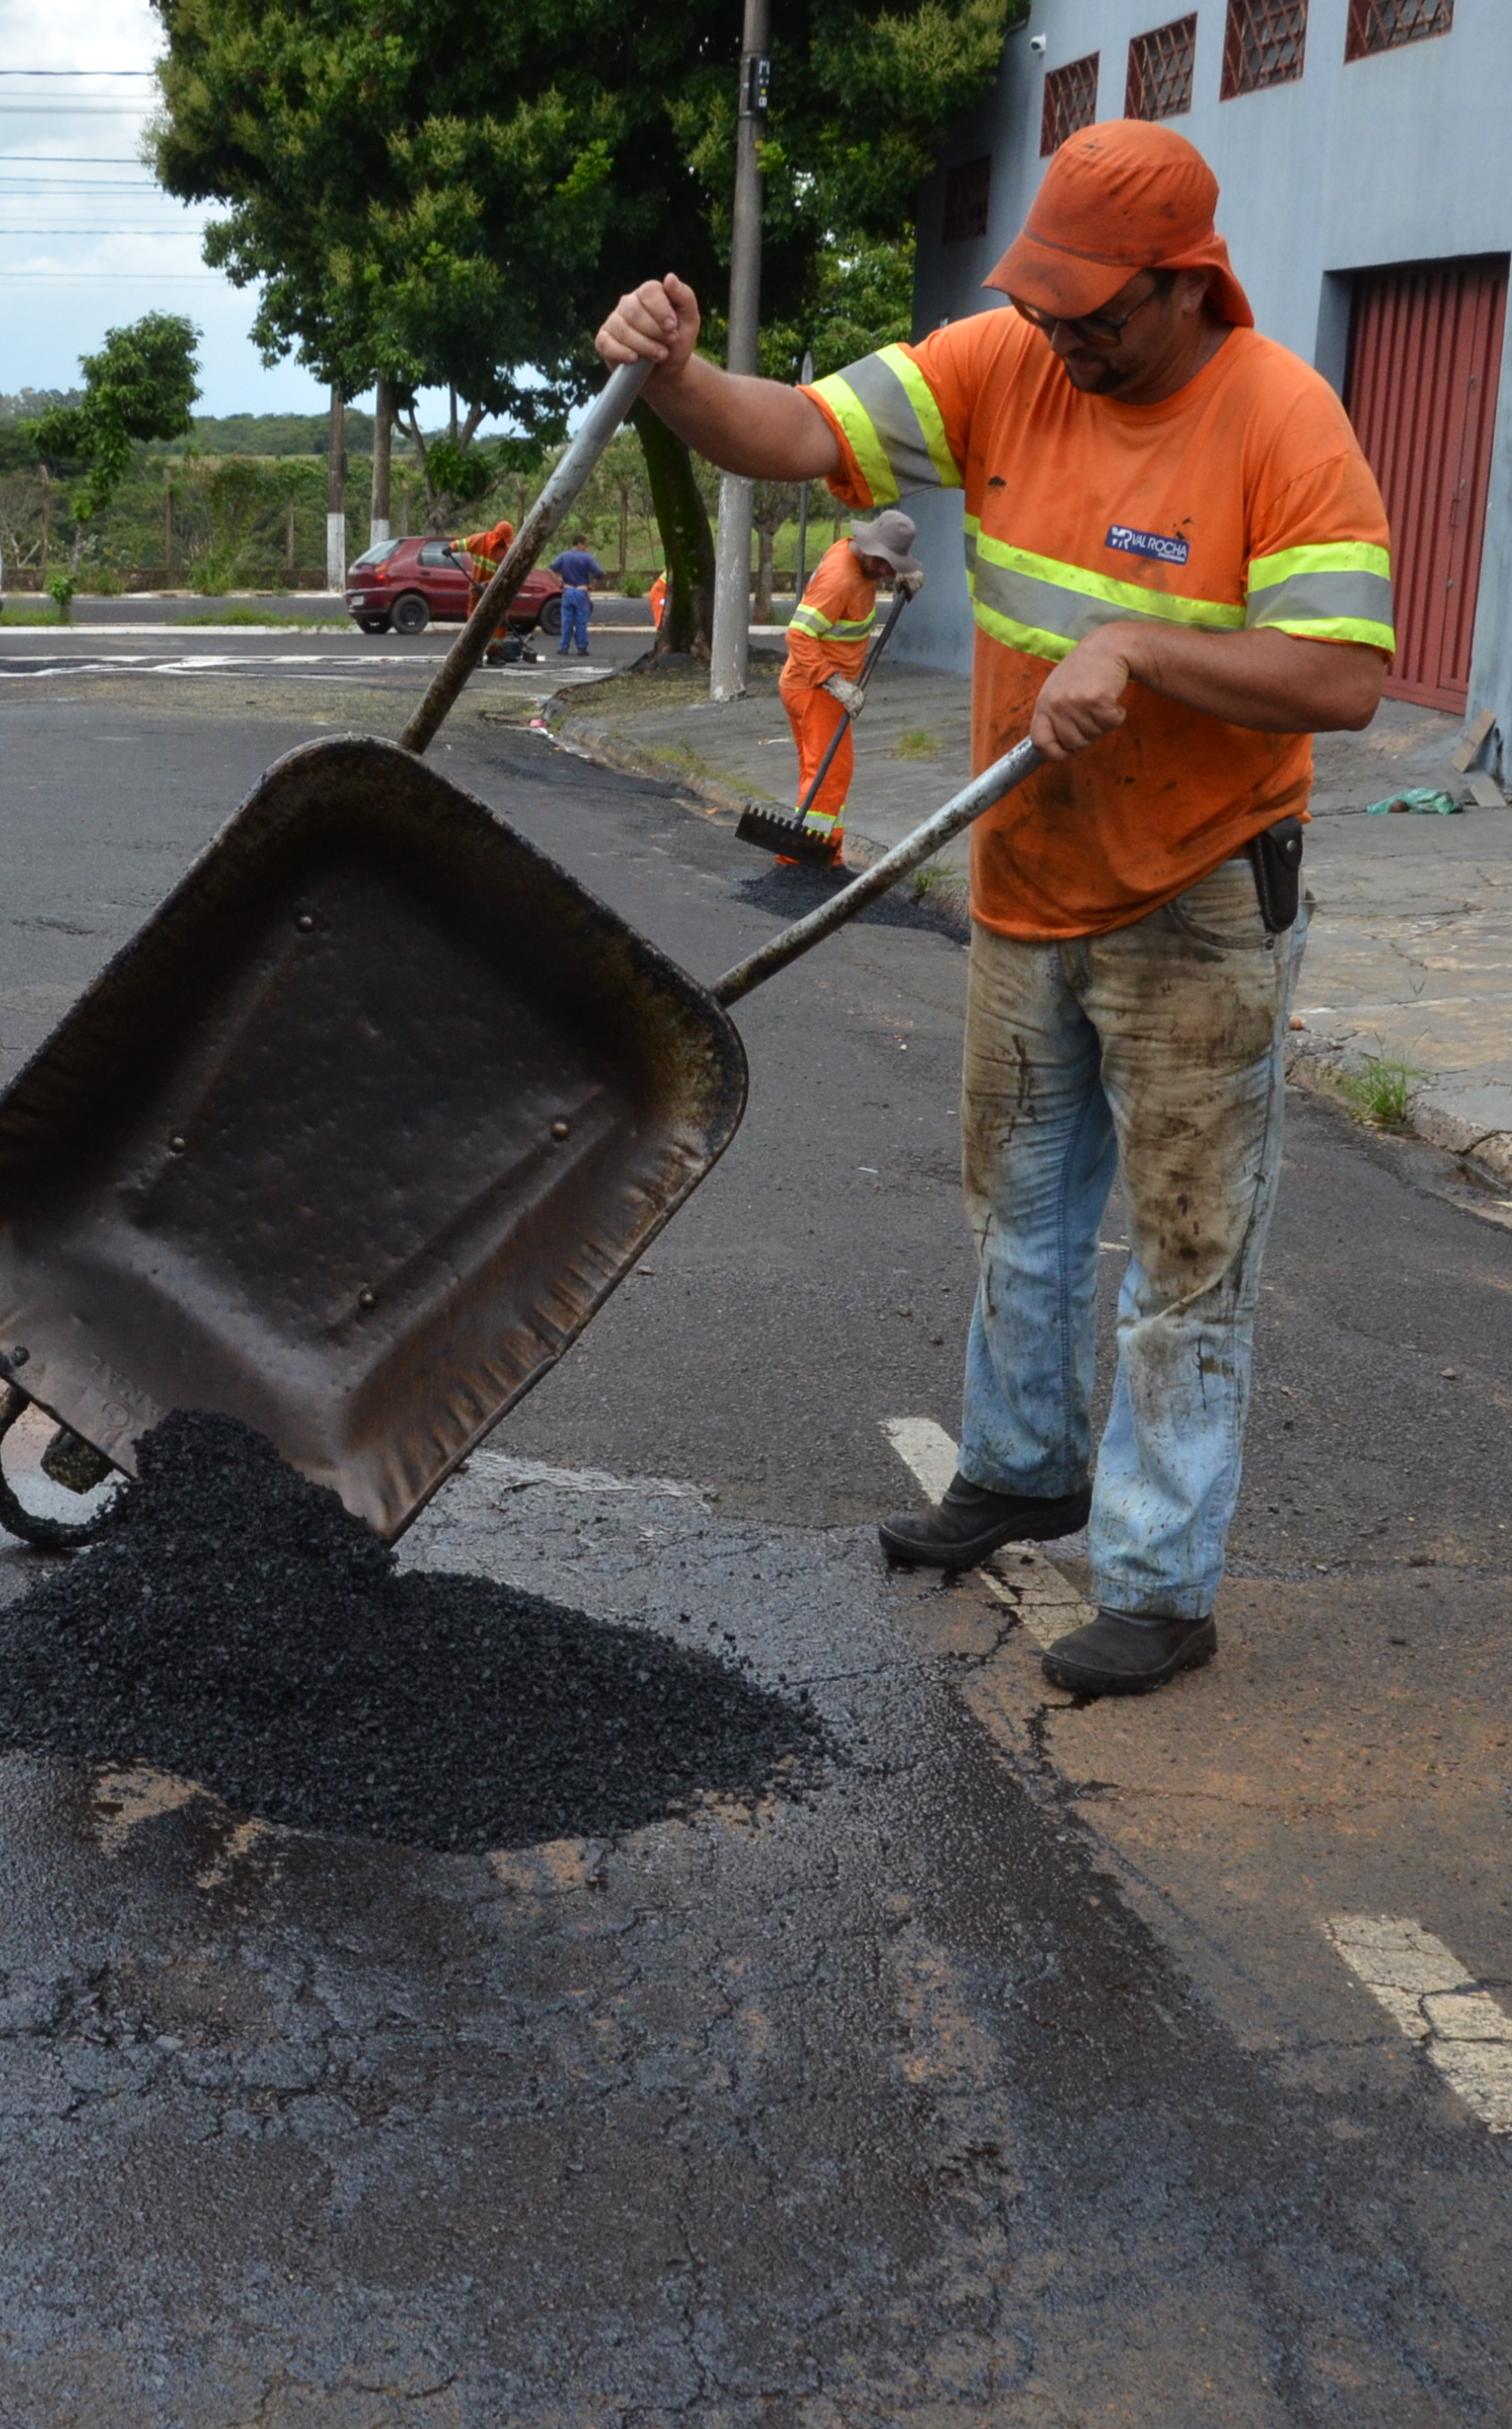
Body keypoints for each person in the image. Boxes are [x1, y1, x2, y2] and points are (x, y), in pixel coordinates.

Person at [594, 119, 1393, 1699]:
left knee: (1183, 1259)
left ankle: (1160, 1586)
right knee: (1016, 1215)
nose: (1061, 336)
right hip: (1026, 880)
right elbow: (800, 432)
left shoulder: (1282, 421)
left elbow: (1346, 676)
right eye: (1046, 305)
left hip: (1199, 900)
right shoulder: (1005, 362)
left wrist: (1147, 652)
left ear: (1187, 285)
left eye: (1094, 311)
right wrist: (676, 378)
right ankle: (1024, 1466)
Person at [765, 509, 921, 862]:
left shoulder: (857, 556)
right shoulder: (839, 578)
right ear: (868, 546)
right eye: (883, 563)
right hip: (816, 689)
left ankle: (824, 855)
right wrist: (834, 683)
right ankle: (799, 860)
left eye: (891, 565)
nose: (884, 571)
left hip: (806, 685)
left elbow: (881, 571)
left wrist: (903, 576)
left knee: (821, 775)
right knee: (830, 776)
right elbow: (799, 635)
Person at [550, 532, 605, 655]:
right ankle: (581, 647)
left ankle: (564, 647)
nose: (586, 548)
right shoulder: (587, 558)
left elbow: (551, 569)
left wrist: (558, 582)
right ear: (580, 544)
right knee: (581, 622)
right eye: (585, 545)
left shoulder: (564, 556)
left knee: (566, 621)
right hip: (581, 591)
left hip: (568, 590)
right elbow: (599, 573)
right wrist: (592, 585)